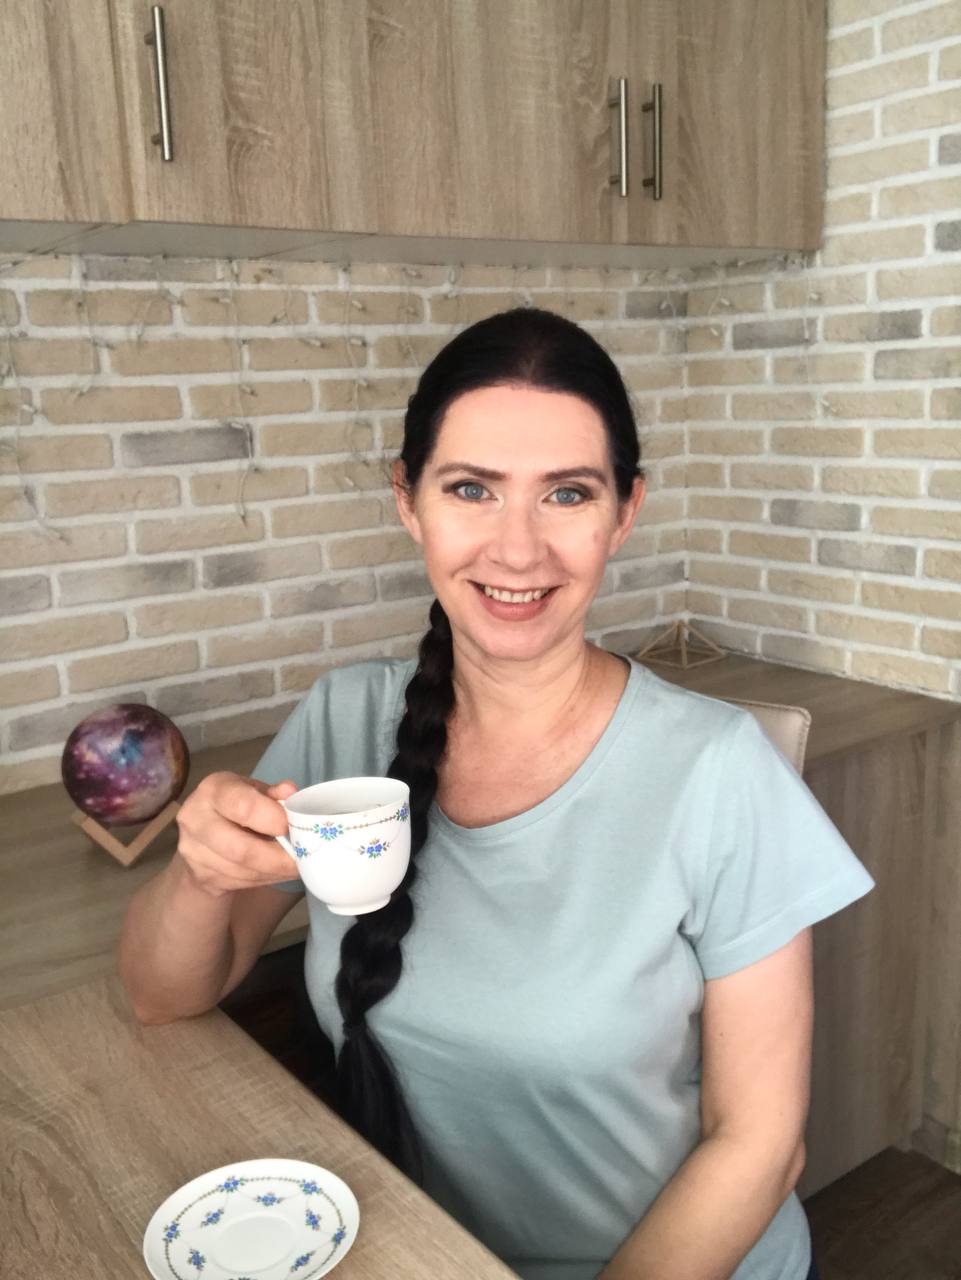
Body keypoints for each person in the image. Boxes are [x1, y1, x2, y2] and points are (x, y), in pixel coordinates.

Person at [120, 307, 873, 1280]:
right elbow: (161, 996)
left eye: (566, 493)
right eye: (471, 488)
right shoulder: (346, 719)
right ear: (409, 501)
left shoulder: (718, 768)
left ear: (624, 513)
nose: (517, 551)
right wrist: (200, 872)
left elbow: (760, 1144)